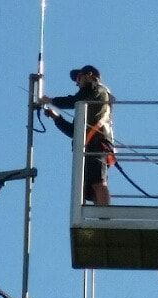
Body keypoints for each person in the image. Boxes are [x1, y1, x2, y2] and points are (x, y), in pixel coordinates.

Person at [40, 65, 113, 206]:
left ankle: (105, 215)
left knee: (98, 181)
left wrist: (51, 100)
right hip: (88, 144)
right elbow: (74, 132)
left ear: (89, 75)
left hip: (98, 142)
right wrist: (57, 118)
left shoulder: (97, 89)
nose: (77, 83)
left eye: (79, 78)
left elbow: (75, 100)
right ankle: (101, 217)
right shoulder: (85, 106)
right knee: (90, 187)